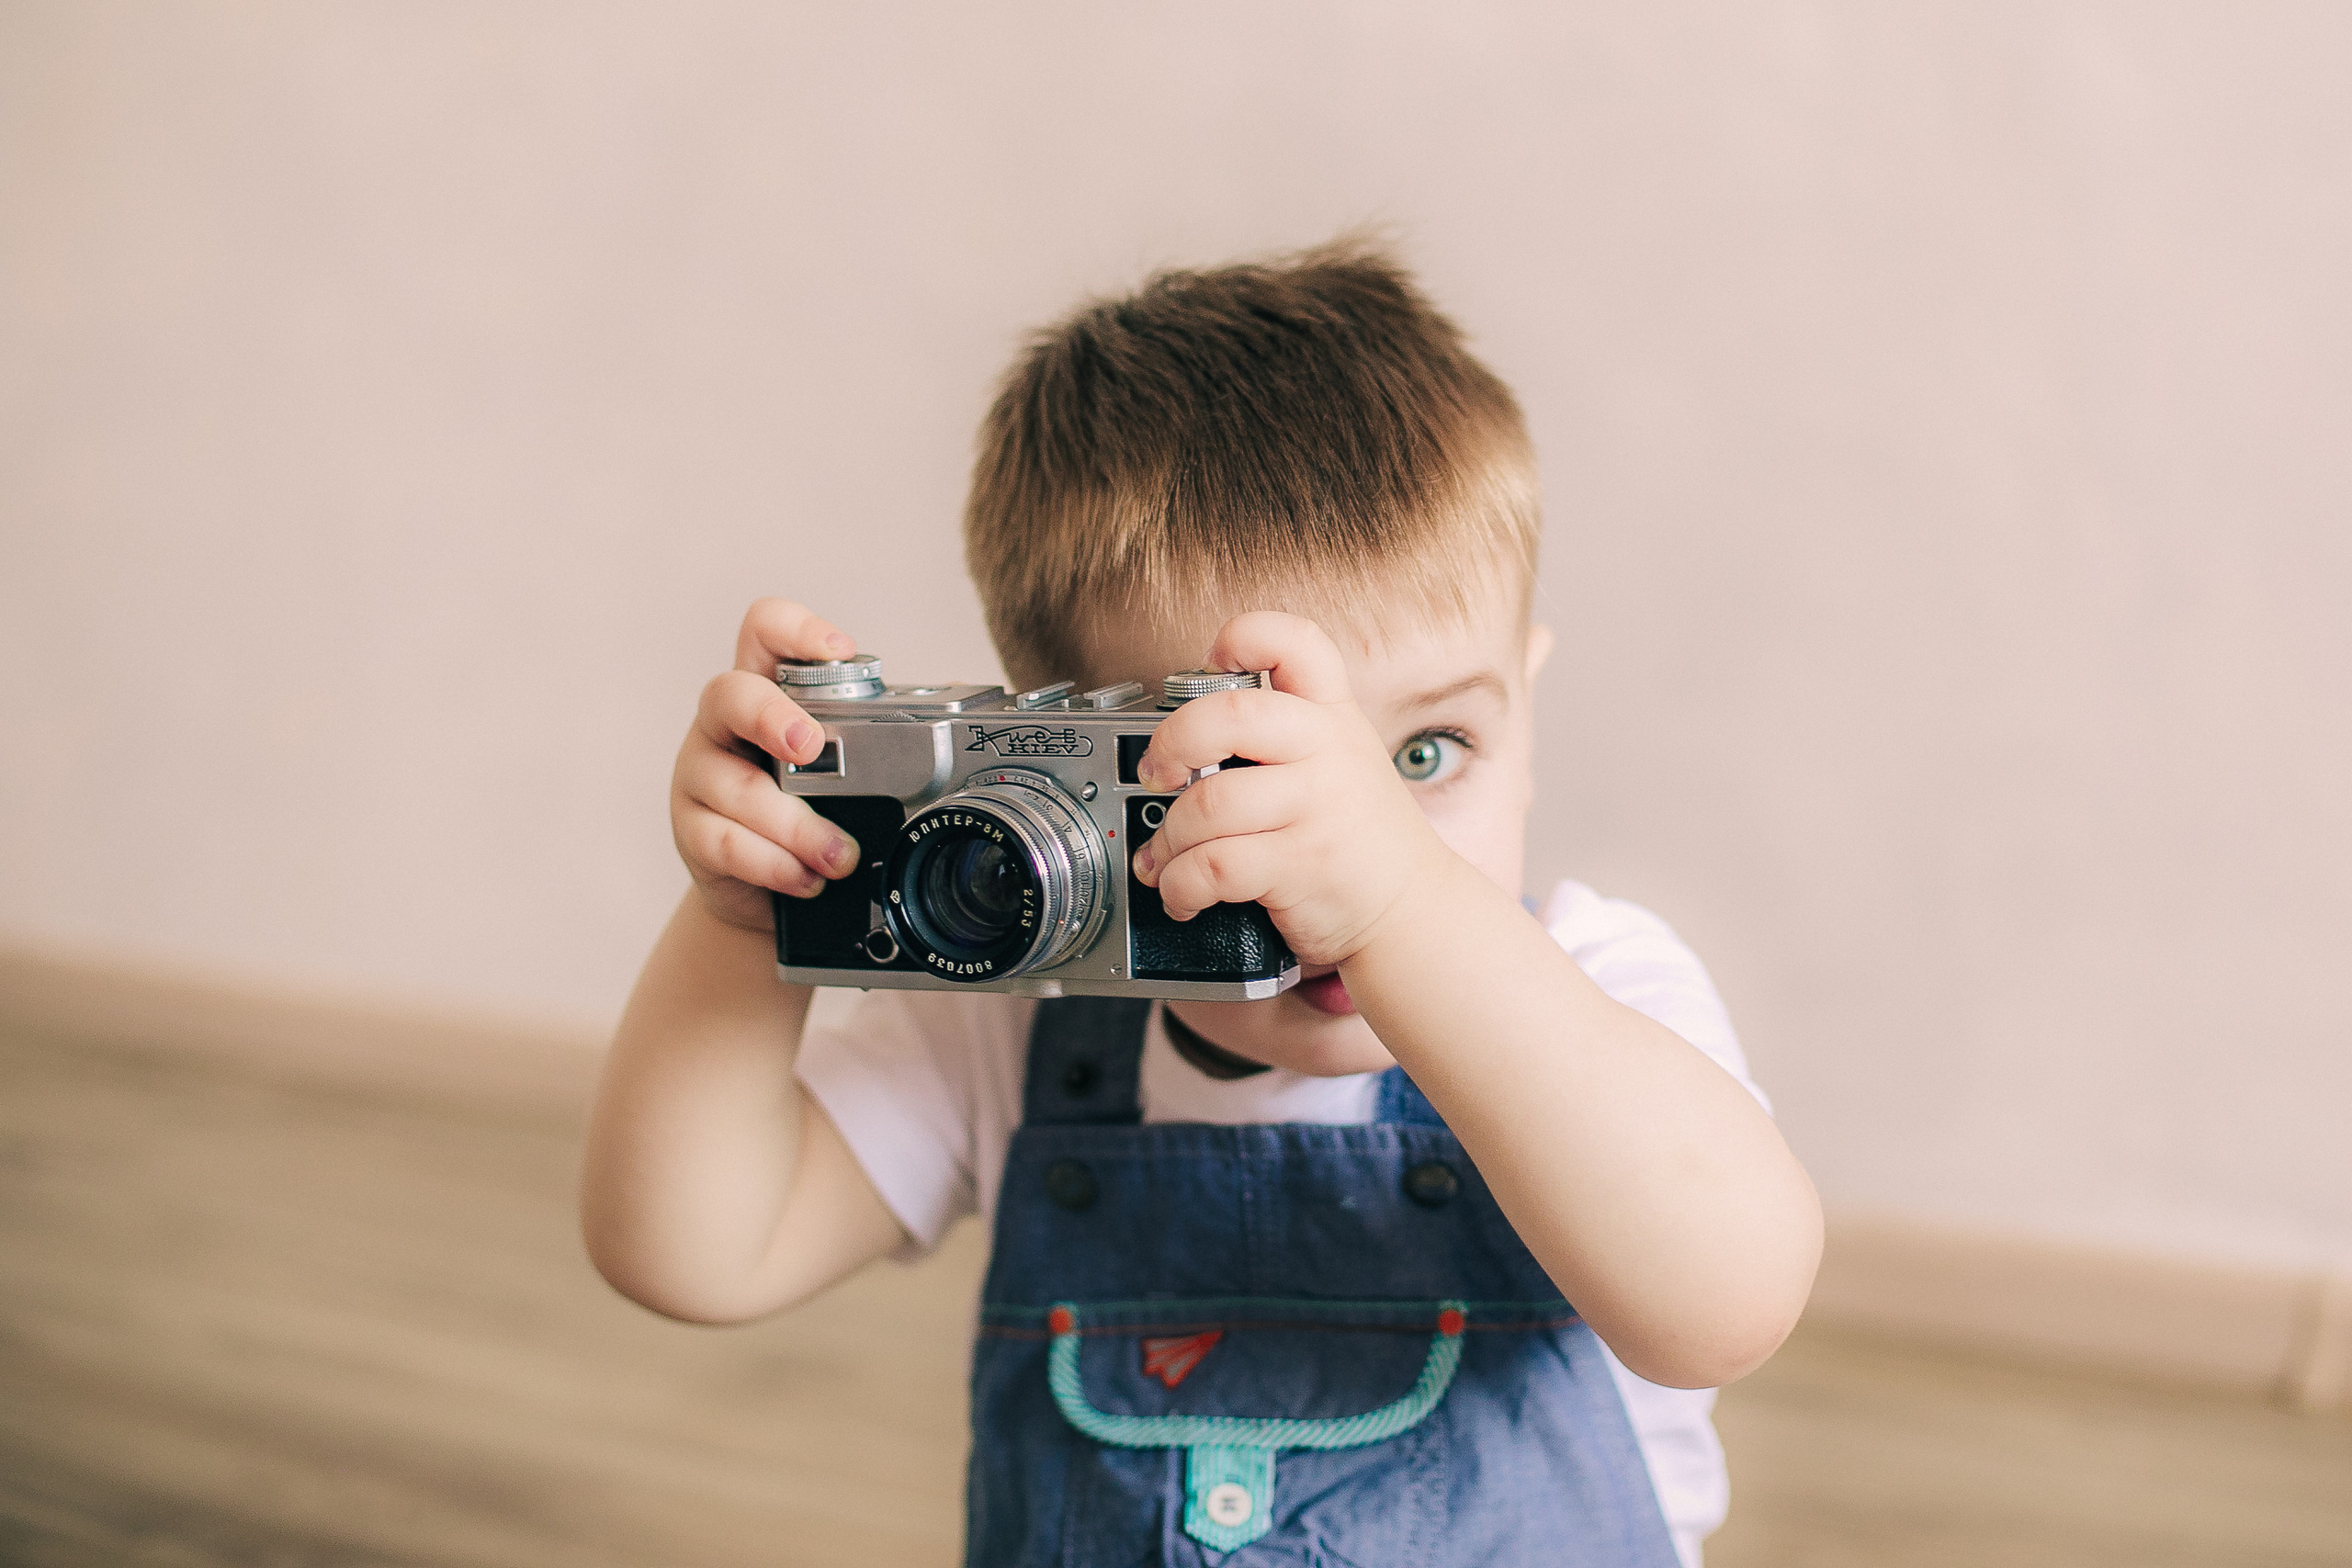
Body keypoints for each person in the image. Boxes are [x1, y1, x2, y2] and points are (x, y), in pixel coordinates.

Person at [581, 240, 1822, 1567]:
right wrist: (739, 925)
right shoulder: (1019, 1039)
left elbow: (1721, 1302)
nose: (1331, 856)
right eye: (1232, 775)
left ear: (1529, 695)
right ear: (1058, 753)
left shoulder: (1597, 990)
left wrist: (1403, 910)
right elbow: (694, 1252)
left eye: (1422, 759)